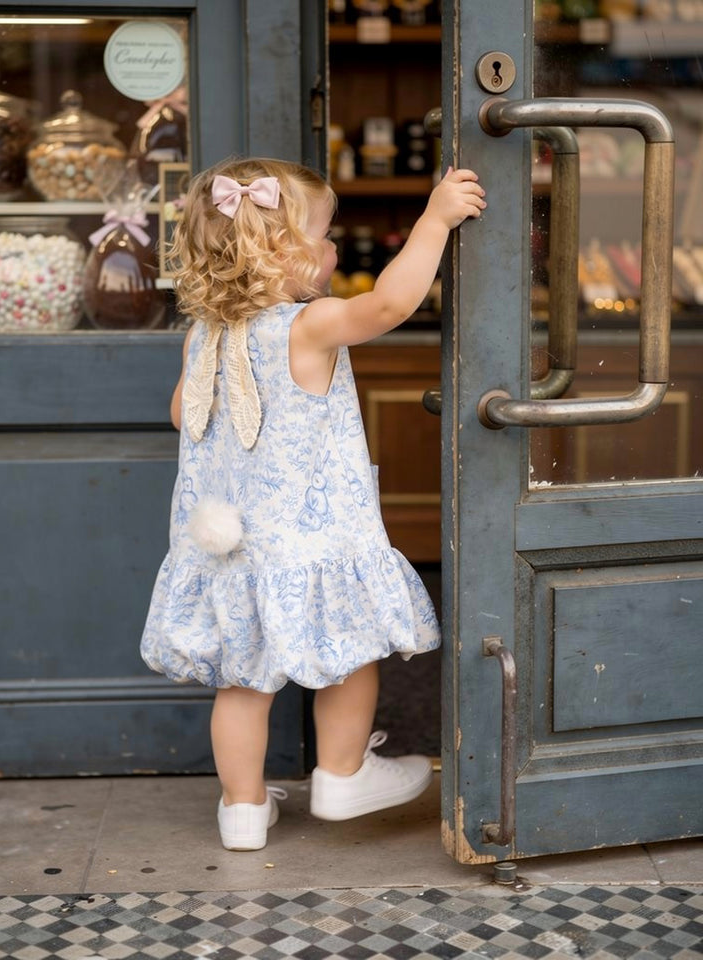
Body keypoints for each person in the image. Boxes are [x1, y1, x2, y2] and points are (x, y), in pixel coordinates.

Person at [141, 156, 486, 851]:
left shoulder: (202, 334)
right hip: (314, 543)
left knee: (241, 682)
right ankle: (342, 773)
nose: (335, 248)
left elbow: (184, 414)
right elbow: (390, 304)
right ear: (281, 252)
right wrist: (435, 220)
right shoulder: (309, 324)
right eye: (327, 235)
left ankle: (241, 810)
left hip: (233, 550)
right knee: (352, 651)